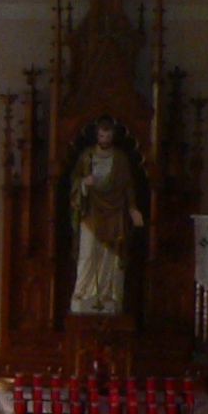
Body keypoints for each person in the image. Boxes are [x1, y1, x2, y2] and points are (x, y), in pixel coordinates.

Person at [69, 116, 142, 315]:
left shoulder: (120, 158)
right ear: (97, 135)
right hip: (91, 210)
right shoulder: (86, 156)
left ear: (113, 136)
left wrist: (133, 208)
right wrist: (84, 183)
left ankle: (108, 295)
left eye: (108, 135)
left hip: (115, 211)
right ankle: (83, 293)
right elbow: (74, 181)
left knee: (111, 255)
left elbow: (128, 186)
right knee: (88, 252)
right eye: (102, 134)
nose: (105, 138)